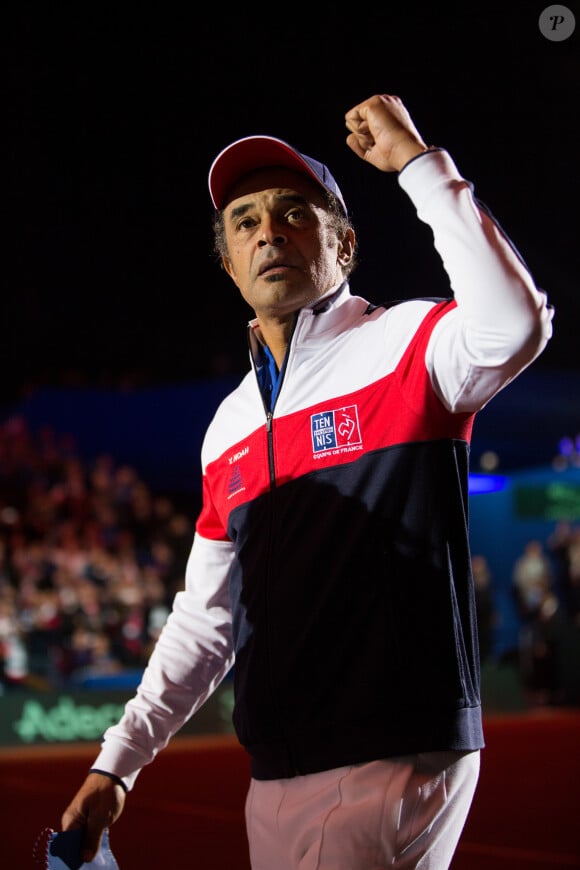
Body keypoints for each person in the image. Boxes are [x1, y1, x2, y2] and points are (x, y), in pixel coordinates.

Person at [60, 93, 554, 869]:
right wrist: (114, 763)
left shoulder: (404, 343)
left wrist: (422, 170)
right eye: (246, 221)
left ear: (344, 245)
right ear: (228, 262)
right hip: (283, 764)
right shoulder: (227, 425)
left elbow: (515, 324)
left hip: (386, 749)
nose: (269, 233)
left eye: (295, 213)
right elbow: (207, 617)